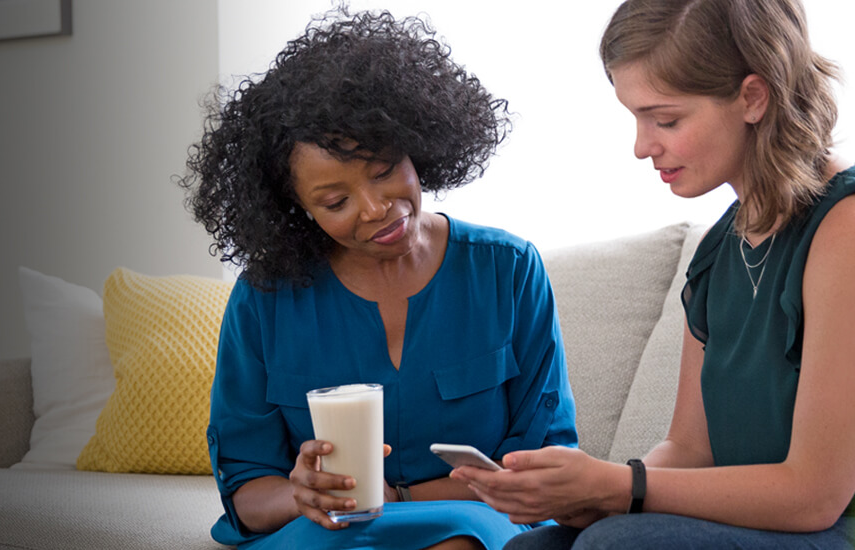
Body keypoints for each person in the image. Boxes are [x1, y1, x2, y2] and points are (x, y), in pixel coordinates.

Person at [448, 0, 855, 548]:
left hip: (832, 528)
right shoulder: (718, 251)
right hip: (756, 525)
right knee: (534, 545)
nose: (643, 147)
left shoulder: (843, 226)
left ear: (752, 98)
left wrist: (622, 488)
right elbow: (689, 453)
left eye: (666, 119)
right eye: (637, 119)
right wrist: (588, 495)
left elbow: (814, 495)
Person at [177, 9, 578, 550]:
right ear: (295, 209)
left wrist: (399, 501)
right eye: (336, 201)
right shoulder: (265, 297)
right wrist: (302, 495)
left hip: (474, 521)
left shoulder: (507, 269)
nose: (376, 209)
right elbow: (247, 489)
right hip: (328, 535)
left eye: (385, 168)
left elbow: (542, 464)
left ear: (416, 143)